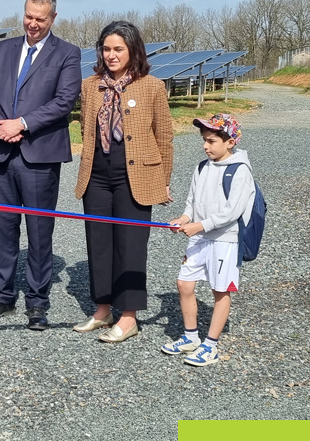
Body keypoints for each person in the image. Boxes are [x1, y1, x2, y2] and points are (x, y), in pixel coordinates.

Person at [0, 0, 82, 329]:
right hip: (3, 154)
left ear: (52, 19)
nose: (32, 24)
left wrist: (21, 124)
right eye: (28, 17)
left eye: (40, 19)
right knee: (4, 228)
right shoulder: (4, 49)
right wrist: (3, 128)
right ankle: (3, 295)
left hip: (39, 155)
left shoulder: (66, 53)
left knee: (39, 230)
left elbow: (64, 100)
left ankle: (37, 301)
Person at [73, 21, 174, 343]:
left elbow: (165, 137)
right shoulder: (90, 86)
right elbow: (87, 130)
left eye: (118, 49)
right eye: (106, 49)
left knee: (130, 246)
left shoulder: (152, 86)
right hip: (97, 174)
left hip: (137, 174)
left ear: (133, 50)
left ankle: (128, 317)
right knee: (99, 243)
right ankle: (103, 310)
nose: (112, 55)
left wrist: (164, 180)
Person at [163, 114, 254, 366]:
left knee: (220, 290)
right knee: (184, 284)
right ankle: (191, 337)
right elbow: (192, 202)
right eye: (204, 140)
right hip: (199, 236)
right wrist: (183, 219)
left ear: (230, 142)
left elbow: (232, 212)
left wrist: (200, 226)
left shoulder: (240, 170)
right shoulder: (202, 166)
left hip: (225, 239)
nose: (206, 146)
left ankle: (210, 346)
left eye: (212, 141)